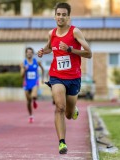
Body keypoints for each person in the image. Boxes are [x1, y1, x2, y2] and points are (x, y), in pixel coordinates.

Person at [37, 2, 92, 154]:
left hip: (74, 77)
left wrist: (70, 49)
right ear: (55, 16)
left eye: (64, 14)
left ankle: (73, 109)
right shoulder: (52, 33)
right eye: (58, 14)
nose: (60, 17)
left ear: (68, 17)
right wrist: (43, 51)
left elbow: (89, 53)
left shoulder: (75, 32)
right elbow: (50, 47)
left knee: (68, 114)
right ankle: (62, 142)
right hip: (56, 76)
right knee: (59, 107)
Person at [20, 47, 44, 123]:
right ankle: (31, 116)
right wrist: (24, 69)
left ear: (33, 53)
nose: (29, 53)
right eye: (28, 52)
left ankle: (34, 100)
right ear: (26, 53)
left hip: (35, 82)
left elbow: (43, 69)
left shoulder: (36, 62)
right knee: (28, 101)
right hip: (27, 83)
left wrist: (42, 79)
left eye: (30, 52)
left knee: (34, 95)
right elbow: (21, 75)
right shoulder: (23, 63)